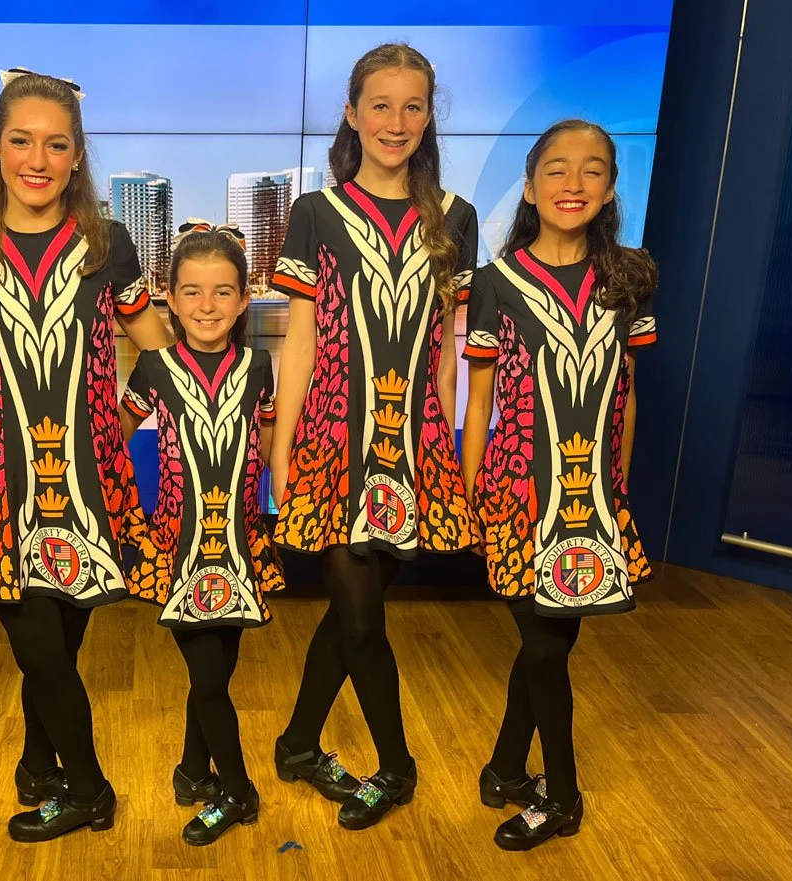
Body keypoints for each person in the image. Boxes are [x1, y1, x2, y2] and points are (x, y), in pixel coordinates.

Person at [0, 68, 173, 842]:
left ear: (77, 155)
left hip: (90, 486)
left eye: (57, 144)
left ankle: (47, 766)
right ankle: (86, 786)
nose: (38, 159)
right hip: (3, 488)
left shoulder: (107, 246)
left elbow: (161, 352)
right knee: (38, 645)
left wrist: (123, 420)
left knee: (57, 646)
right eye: (22, 141)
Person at [267, 43, 479, 830]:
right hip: (332, 446)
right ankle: (398, 765)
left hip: (414, 450)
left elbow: (447, 353)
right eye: (380, 105)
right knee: (360, 616)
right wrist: (282, 450)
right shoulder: (316, 214)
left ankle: (297, 742)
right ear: (352, 114)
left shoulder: (455, 218)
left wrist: (448, 460)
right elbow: (299, 341)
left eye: (412, 106)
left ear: (429, 117)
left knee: (348, 615)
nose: (396, 121)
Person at [460, 119, 658, 851]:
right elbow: (478, 403)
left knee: (550, 644)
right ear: (530, 185)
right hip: (518, 497)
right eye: (557, 169)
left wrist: (618, 492)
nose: (573, 183)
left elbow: (626, 395)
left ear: (609, 188)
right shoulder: (495, 282)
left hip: (594, 503)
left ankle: (508, 767)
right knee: (544, 646)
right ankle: (564, 796)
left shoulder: (630, 278)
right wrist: (471, 498)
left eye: (592, 170)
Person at [119, 220, 285, 846]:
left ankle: (193, 768)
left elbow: (265, 440)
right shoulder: (154, 367)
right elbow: (109, 436)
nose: (207, 305)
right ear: (170, 297)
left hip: (240, 548)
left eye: (222, 291)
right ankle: (238, 792)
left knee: (217, 670)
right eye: (191, 291)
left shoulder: (258, 366)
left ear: (244, 300)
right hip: (180, 550)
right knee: (209, 678)